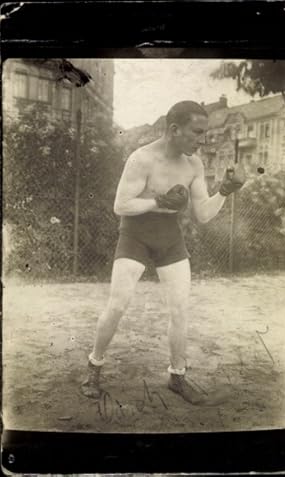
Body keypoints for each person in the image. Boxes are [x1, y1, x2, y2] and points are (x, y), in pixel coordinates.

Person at [81, 100, 245, 405]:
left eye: (204, 133)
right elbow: (121, 205)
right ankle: (94, 366)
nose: (202, 139)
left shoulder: (194, 164)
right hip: (136, 235)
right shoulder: (142, 159)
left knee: (180, 309)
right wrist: (159, 201)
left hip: (170, 237)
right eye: (197, 132)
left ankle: (177, 376)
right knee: (118, 305)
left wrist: (224, 190)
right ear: (174, 129)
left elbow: (204, 214)